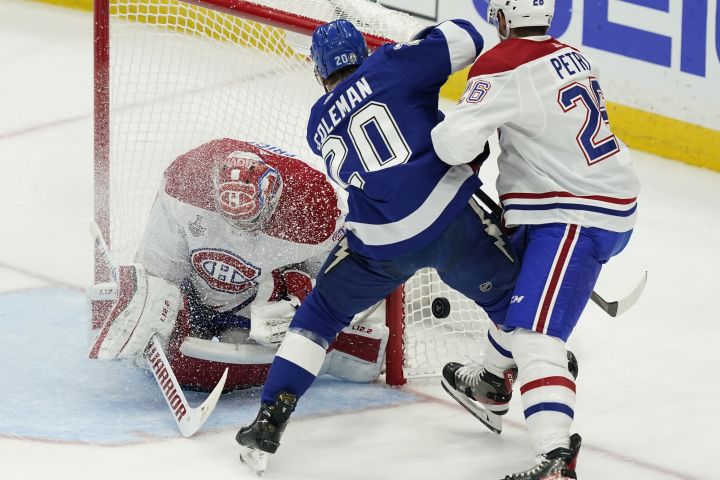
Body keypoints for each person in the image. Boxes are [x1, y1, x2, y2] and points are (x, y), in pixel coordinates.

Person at [235, 18, 520, 472]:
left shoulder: (316, 122)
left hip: (380, 243)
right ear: (364, 52)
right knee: (517, 303)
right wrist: (413, 45)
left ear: (318, 72)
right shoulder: (391, 65)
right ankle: (505, 376)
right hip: (450, 221)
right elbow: (472, 35)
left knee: (322, 315)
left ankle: (271, 418)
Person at [431, 1, 641, 478]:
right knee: (515, 296)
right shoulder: (572, 55)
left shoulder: (503, 63)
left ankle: (555, 457)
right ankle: (489, 382)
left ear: (501, 15)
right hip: (586, 202)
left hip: (574, 214)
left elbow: (455, 144)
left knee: (535, 333)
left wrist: (439, 132)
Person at [88, 138, 389, 392]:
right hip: (194, 289)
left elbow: (346, 278)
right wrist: (152, 294)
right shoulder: (185, 184)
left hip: (256, 303)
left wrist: (303, 303)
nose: (240, 230)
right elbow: (159, 266)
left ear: (273, 198)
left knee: (254, 343)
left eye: (251, 220)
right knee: (167, 332)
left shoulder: (312, 209)